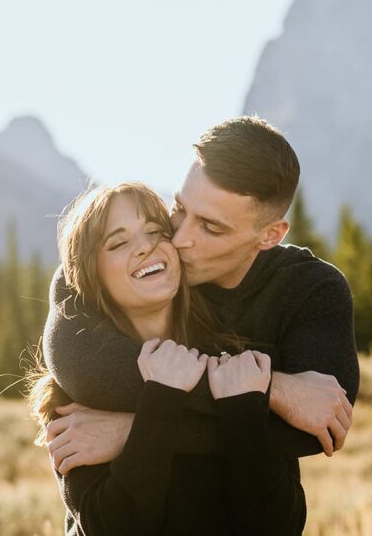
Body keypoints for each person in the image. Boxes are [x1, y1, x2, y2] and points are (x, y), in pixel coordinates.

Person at [42, 117, 360, 528]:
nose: (178, 238)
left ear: (270, 235)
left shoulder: (309, 290)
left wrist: (131, 431)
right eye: (178, 209)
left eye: (210, 226)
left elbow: (312, 429)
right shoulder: (92, 277)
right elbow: (86, 371)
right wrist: (270, 388)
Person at [29, 181, 306, 533]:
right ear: (91, 276)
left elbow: (281, 524)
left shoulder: (239, 360)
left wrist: (242, 408)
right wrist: (161, 397)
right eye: (118, 242)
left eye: (156, 232)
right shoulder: (77, 392)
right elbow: (106, 527)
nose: (145, 247)